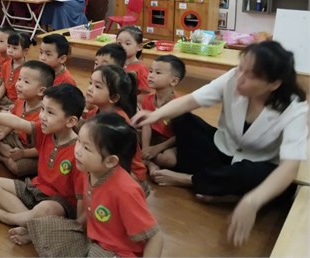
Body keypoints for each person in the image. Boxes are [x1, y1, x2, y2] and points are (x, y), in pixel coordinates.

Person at [132, 41, 308, 246]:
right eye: (241, 68)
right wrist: (155, 115)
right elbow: (191, 100)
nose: (240, 78)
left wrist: (252, 202)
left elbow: (289, 167)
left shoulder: (295, 108)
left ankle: (191, 179)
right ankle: (220, 186)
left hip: (254, 164)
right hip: (222, 147)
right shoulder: (233, 77)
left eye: (251, 75)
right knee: (182, 118)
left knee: (272, 182)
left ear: (274, 84)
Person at [11, 113, 163, 257]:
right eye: (79, 141)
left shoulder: (126, 190)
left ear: (111, 161)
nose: (77, 151)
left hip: (117, 252)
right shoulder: (89, 170)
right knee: (46, 225)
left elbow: (155, 237)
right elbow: (90, 210)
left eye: (86, 148)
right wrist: (63, 230)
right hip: (94, 241)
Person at [0, 84, 85, 228]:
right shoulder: (46, 132)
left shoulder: (79, 153)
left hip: (58, 203)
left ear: (71, 121)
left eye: (50, 113)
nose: (42, 116)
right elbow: (17, 121)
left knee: (46, 208)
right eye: (42, 109)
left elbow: (81, 198)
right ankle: (29, 223)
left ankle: (10, 218)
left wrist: (76, 227)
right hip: (36, 189)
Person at [83, 64, 148, 192]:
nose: (89, 89)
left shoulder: (119, 122)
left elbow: (120, 161)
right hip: (108, 163)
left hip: (129, 172)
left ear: (113, 98)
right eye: (90, 83)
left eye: (97, 86)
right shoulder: (95, 112)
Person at [0, 60, 55, 177]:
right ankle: (9, 155)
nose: (18, 84)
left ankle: (3, 158)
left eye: (26, 82)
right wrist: (3, 133)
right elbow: (13, 120)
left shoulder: (44, 114)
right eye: (19, 79)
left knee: (16, 167)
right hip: (17, 140)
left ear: (41, 91)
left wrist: (23, 153)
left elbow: (43, 147)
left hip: (33, 151)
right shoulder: (21, 101)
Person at [141, 55, 186, 179]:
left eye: (158, 72)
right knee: (127, 137)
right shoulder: (148, 99)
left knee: (169, 160)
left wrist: (157, 148)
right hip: (153, 136)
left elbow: (180, 135)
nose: (151, 75)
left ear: (174, 81)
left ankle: (146, 161)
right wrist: (145, 148)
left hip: (170, 142)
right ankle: (149, 163)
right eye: (151, 71)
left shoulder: (180, 104)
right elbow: (146, 125)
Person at [0, 32, 31, 111]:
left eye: (14, 48)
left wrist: (17, 104)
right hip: (6, 99)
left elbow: (27, 92)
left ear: (25, 51)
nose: (10, 50)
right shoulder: (6, 65)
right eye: (8, 46)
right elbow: (3, 85)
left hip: (20, 102)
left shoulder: (28, 68)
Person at [116, 26, 152, 98]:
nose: (122, 46)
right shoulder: (115, 63)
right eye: (119, 43)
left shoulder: (141, 68)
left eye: (127, 43)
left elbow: (145, 94)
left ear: (139, 47)